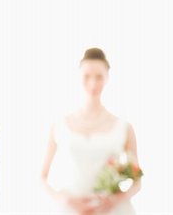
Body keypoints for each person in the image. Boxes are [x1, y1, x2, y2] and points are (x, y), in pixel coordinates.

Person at [41, 48, 141, 215]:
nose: (93, 84)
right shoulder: (59, 125)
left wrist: (115, 200)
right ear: (79, 77)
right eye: (87, 76)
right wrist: (64, 199)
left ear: (107, 78)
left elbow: (137, 182)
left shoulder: (124, 127)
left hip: (113, 210)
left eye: (99, 77)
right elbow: (42, 178)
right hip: (71, 208)